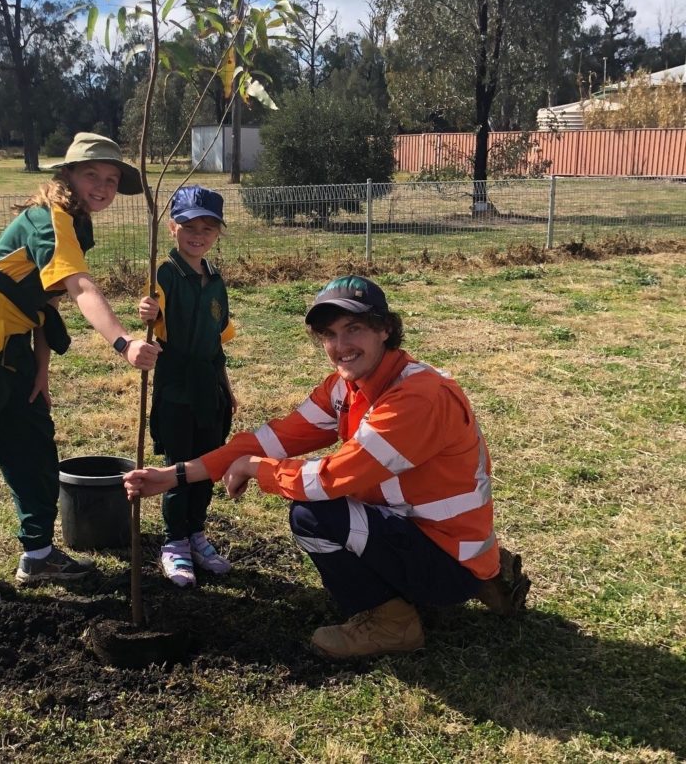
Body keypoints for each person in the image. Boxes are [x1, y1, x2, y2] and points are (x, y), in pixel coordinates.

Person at [125, 275, 529, 659]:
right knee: (327, 505)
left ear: (385, 329)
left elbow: (329, 479)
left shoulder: (416, 398)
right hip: (440, 537)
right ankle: (488, 576)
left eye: (354, 329)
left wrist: (256, 469)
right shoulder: (347, 387)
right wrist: (175, 475)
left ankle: (394, 624)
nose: (341, 345)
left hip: (446, 556)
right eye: (330, 335)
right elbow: (271, 440)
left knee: (313, 514)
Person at [0, 133, 160, 589]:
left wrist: (41, 368)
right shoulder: (50, 219)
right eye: (91, 174)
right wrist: (122, 342)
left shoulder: (75, 224)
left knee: (33, 445)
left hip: (16, 344)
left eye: (112, 179)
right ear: (67, 176)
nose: (102, 186)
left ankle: (38, 554)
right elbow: (79, 288)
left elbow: (46, 301)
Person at [137, 185, 237, 588]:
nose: (198, 235)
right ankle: (173, 542)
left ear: (217, 234)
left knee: (207, 464)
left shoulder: (215, 280)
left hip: (208, 385)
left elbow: (216, 341)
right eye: (190, 226)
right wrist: (148, 310)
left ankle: (197, 533)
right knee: (179, 465)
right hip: (177, 385)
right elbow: (151, 309)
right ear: (172, 228)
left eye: (208, 228)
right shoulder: (164, 273)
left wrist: (225, 387)